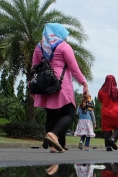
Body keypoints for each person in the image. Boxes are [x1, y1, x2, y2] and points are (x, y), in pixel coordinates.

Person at [32, 23, 88, 153]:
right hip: (60, 83)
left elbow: (34, 67)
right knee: (69, 112)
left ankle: (54, 145)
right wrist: (83, 83)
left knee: (51, 114)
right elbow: (74, 68)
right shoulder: (64, 46)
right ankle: (53, 135)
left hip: (44, 83)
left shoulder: (39, 47)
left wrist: (32, 87)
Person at [98, 75, 118, 151]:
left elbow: (100, 100)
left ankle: (108, 146)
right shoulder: (117, 90)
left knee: (106, 129)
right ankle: (113, 138)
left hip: (105, 112)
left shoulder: (101, 91)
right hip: (115, 112)